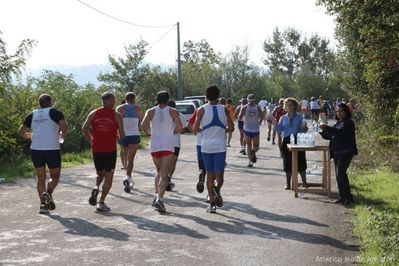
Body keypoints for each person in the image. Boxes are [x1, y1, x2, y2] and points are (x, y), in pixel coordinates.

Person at [18, 94, 68, 214]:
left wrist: (32, 136)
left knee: (41, 178)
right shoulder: (55, 112)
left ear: (39, 103)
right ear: (50, 102)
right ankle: (48, 193)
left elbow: (21, 132)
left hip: (36, 150)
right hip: (52, 149)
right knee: (55, 177)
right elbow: (64, 126)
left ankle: (43, 205)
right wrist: (62, 135)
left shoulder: (32, 114)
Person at [81, 92, 125, 212]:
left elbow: (83, 129)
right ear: (109, 101)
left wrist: (91, 139)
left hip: (96, 149)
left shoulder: (93, 113)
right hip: (110, 150)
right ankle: (101, 202)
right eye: (113, 100)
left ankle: (96, 187)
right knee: (108, 177)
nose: (114, 102)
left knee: (100, 173)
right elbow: (122, 135)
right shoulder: (117, 115)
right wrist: (121, 141)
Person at [194, 85, 234, 213]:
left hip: (206, 146)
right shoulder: (225, 109)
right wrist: (222, 130)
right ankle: (217, 189)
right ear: (218, 95)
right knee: (219, 175)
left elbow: (195, 129)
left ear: (206, 96)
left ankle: (211, 204)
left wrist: (205, 130)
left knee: (209, 174)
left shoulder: (201, 110)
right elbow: (231, 128)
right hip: (220, 146)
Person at [141, 91, 182, 213]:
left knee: (158, 171)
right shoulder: (173, 111)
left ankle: (155, 193)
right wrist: (173, 131)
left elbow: (143, 124)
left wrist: (149, 133)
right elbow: (179, 126)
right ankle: (160, 199)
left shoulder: (150, 111)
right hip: (168, 145)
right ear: (168, 99)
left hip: (154, 145)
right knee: (165, 174)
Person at [320, 103, 358, 205]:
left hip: (345, 151)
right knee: (338, 175)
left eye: (341, 111)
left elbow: (339, 133)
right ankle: (342, 197)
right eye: (337, 111)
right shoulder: (338, 123)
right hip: (337, 152)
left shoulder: (348, 122)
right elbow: (330, 135)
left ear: (346, 111)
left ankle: (348, 198)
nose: (339, 113)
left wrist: (327, 127)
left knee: (341, 174)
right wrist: (323, 131)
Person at [274, 98, 308, 190]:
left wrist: (304, 128)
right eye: (287, 105)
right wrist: (274, 122)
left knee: (301, 161)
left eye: (291, 104)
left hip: (299, 140)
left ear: (295, 106)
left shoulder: (300, 117)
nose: (289, 106)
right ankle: (288, 184)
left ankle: (304, 182)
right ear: (285, 107)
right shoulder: (283, 118)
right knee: (287, 163)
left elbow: (305, 130)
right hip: (287, 140)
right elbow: (279, 130)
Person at [116, 92, 142, 193]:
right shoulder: (138, 108)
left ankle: (127, 175)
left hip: (123, 134)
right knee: (130, 159)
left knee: (125, 154)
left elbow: (117, 120)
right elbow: (140, 120)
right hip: (134, 134)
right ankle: (128, 177)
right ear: (134, 98)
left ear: (125, 98)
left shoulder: (119, 108)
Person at [166, 100, 187, 191]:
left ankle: (165, 177)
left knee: (165, 162)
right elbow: (182, 129)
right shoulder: (181, 116)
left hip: (165, 142)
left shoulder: (164, 115)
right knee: (173, 163)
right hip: (176, 142)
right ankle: (169, 177)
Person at [239, 94, 263, 167]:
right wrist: (260, 121)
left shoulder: (244, 107)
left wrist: (246, 120)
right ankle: (253, 151)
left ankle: (250, 162)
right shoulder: (258, 107)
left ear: (247, 100)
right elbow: (262, 116)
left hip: (247, 129)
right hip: (255, 129)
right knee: (256, 146)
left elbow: (239, 117)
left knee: (248, 146)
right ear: (254, 100)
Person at [187, 107, 207, 193]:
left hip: (200, 143)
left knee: (202, 165)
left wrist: (196, 132)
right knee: (212, 168)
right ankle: (211, 192)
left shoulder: (199, 110)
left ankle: (201, 176)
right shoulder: (220, 109)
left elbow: (189, 124)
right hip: (214, 143)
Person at [119, 99, 127, 170]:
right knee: (122, 148)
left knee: (127, 149)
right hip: (121, 132)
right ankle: (123, 163)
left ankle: (126, 163)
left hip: (129, 133)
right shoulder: (119, 112)